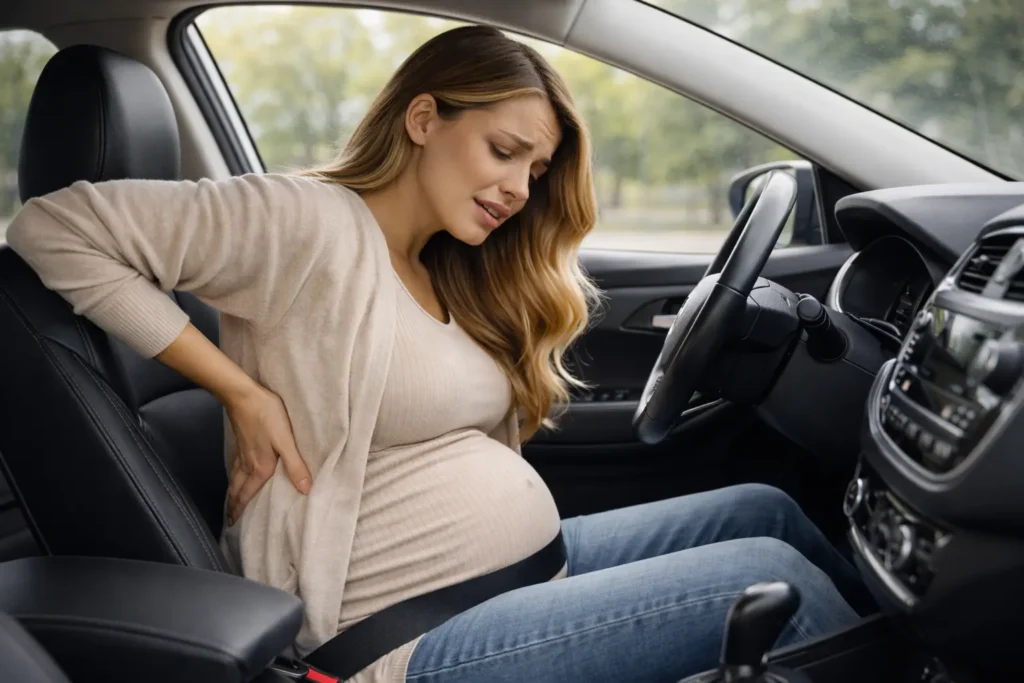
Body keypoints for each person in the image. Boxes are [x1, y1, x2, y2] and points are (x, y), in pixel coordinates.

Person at [7, 25, 869, 683]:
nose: (518, 189)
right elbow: (51, 227)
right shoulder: (304, 221)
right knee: (764, 575)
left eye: (535, 169)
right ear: (424, 118)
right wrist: (241, 390)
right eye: (503, 151)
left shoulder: (443, 260)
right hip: (392, 640)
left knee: (766, 509)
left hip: (517, 575)